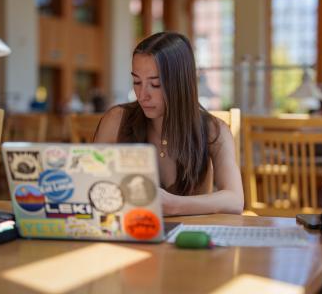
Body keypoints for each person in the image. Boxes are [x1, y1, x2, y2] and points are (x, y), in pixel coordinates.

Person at [94, 32, 244, 215]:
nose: (142, 95)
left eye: (155, 85)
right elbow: (90, 184)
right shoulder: (116, 120)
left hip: (189, 238)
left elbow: (235, 200)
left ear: (180, 83)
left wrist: (174, 205)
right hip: (131, 234)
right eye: (136, 82)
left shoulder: (214, 130)